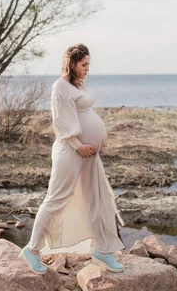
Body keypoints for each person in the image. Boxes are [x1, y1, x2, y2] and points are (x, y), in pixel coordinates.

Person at [18, 44, 125, 274]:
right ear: (72, 64)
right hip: (71, 151)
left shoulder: (77, 85)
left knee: (97, 198)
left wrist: (98, 139)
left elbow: (85, 114)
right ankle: (32, 250)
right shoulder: (60, 87)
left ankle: (104, 251)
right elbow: (62, 123)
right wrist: (79, 146)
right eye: (84, 65)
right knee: (56, 199)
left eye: (88, 65)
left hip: (89, 152)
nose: (87, 69)